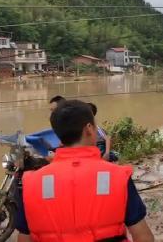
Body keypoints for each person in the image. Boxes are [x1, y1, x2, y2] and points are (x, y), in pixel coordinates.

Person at [15, 100, 154, 242]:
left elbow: (24, 238)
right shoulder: (117, 176)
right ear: (89, 128)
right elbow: (143, 236)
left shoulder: (31, 184)